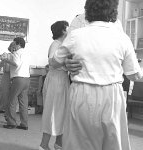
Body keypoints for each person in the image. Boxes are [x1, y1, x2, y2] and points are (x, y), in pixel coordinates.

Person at [51, 0, 143, 149]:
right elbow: (134, 75)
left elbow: (54, 62)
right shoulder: (122, 37)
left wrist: (68, 60)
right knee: (113, 142)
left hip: (82, 92)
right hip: (111, 94)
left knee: (78, 143)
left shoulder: (75, 34)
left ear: (88, 10)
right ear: (114, 10)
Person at [39, 21, 70, 150]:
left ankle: (59, 144)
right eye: (68, 28)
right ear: (62, 30)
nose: (70, 30)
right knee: (52, 111)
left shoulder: (64, 45)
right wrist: (68, 61)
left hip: (62, 79)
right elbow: (52, 63)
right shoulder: (56, 44)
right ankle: (44, 145)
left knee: (63, 113)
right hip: (56, 79)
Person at [0, 37, 30, 130]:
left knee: (11, 100)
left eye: (14, 44)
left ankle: (11, 122)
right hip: (27, 79)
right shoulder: (27, 53)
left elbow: (16, 63)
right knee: (23, 102)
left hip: (18, 79)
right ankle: (24, 124)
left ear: (18, 44)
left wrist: (5, 59)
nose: (13, 45)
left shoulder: (16, 53)